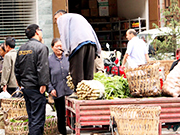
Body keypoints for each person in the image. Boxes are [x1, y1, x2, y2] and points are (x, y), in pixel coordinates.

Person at [54, 10, 101, 93]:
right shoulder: (79, 16)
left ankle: (78, 92)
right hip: (91, 43)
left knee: (76, 71)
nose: (56, 21)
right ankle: (89, 91)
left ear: (60, 14)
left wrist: (66, 50)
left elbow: (64, 34)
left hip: (78, 44)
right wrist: (98, 49)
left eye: (55, 18)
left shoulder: (63, 18)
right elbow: (92, 31)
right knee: (88, 72)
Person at [15, 24, 49, 135]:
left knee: (31, 117)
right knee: (38, 118)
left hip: (26, 87)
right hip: (37, 88)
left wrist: (20, 83)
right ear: (37, 32)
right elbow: (42, 67)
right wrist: (43, 83)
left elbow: (17, 67)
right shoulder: (41, 47)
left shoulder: (21, 48)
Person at [48, 38, 73, 135]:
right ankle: (62, 132)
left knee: (71, 113)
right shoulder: (49, 60)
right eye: (57, 46)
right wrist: (50, 89)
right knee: (61, 114)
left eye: (61, 46)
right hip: (57, 91)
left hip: (69, 91)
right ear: (52, 47)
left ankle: (73, 130)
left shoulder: (68, 58)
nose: (59, 48)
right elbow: (47, 77)